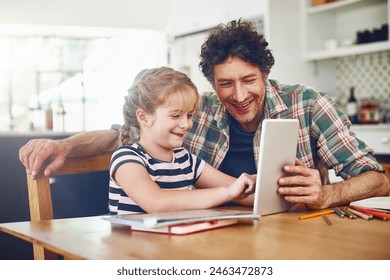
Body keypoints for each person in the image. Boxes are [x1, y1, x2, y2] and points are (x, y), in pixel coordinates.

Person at [19, 19, 389, 210]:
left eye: (249, 80)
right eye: (226, 83)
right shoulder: (196, 112)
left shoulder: (308, 105)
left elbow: (378, 179)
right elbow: (121, 135)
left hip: (289, 233)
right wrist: (66, 146)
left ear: (266, 74)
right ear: (212, 82)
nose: (239, 95)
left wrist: (326, 193)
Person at [109, 66, 254, 215]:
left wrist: (255, 184)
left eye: (189, 115)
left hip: (169, 238)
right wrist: (228, 193)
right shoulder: (127, 159)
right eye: (176, 115)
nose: (186, 124)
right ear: (144, 117)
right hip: (132, 239)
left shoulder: (186, 160)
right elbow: (157, 203)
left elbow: (243, 191)